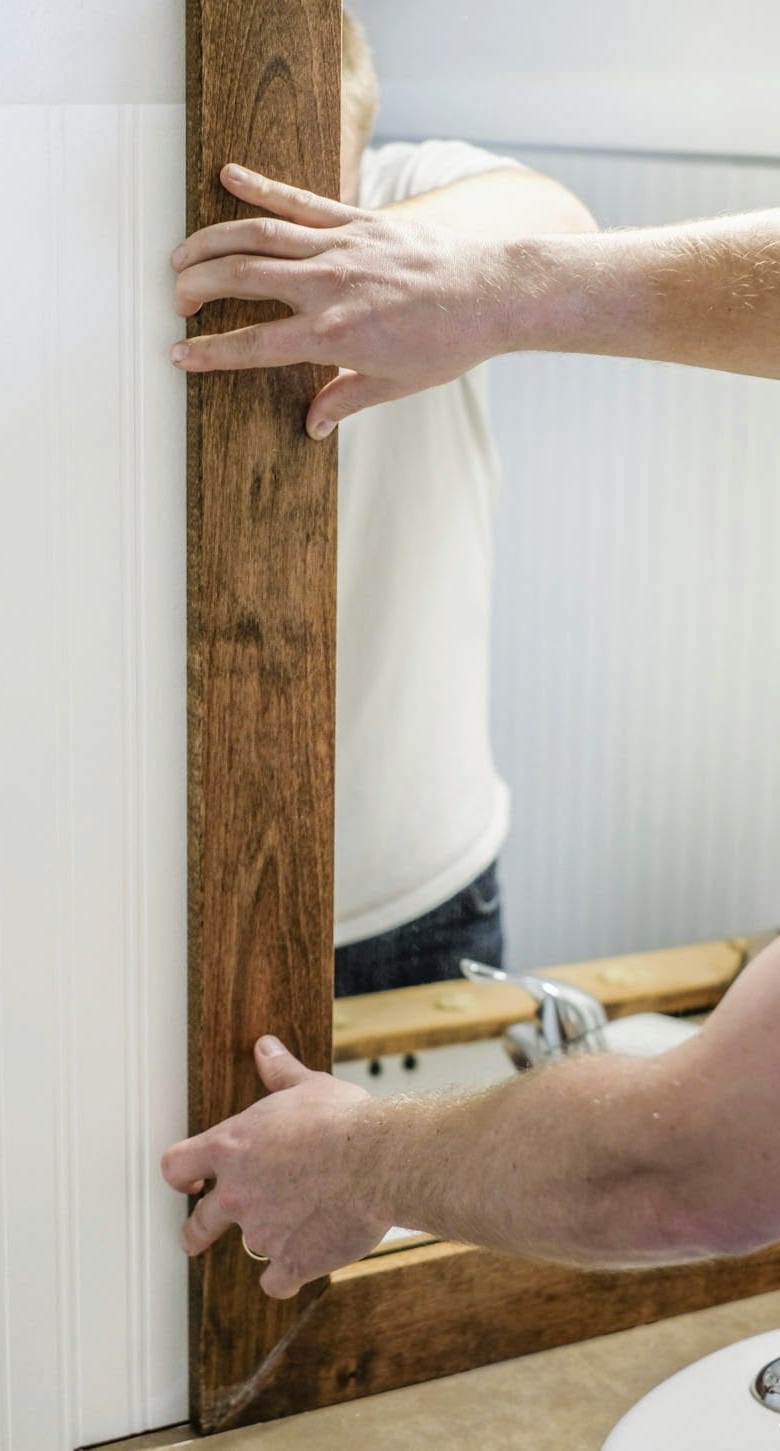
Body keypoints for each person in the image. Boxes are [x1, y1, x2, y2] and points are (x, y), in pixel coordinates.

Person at [163, 72, 780, 1295]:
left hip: (418, 902)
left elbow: (696, 1167)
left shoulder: (410, 201)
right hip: (162, 933)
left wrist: (483, 279)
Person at [330, 15, 597, 994]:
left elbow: (560, 222)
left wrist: (353, 250)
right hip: (173, 900)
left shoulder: (411, 192)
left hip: (415, 889)